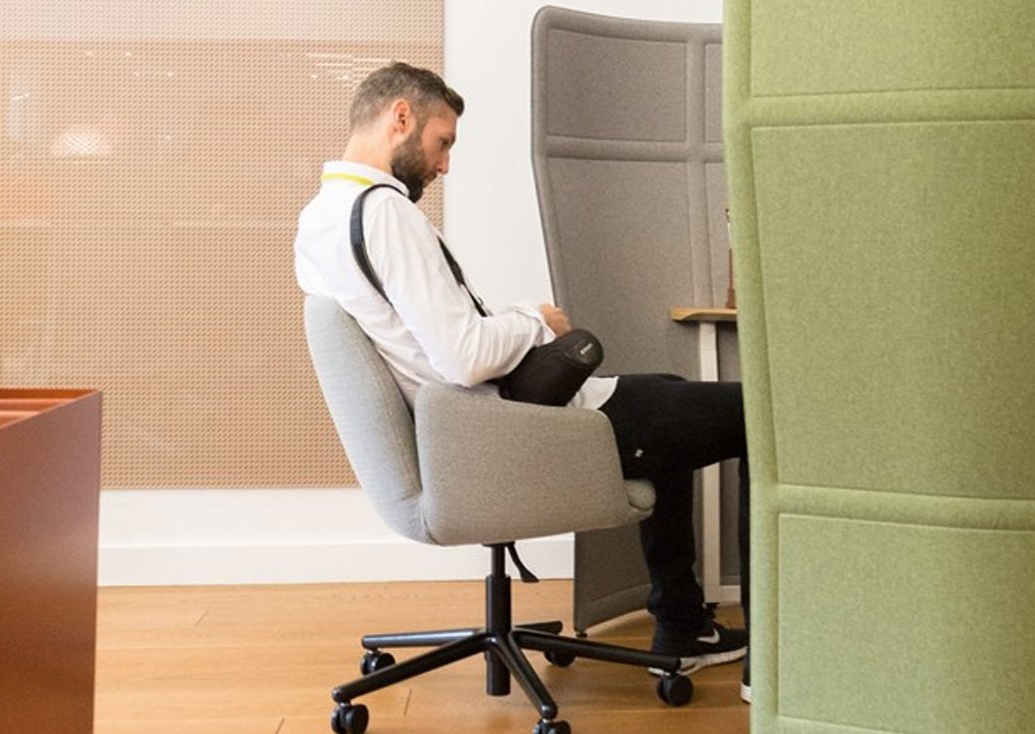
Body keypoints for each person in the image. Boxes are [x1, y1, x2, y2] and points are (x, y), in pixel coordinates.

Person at [295, 61, 749, 690]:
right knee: (758, 415)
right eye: (442, 142)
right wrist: (534, 320)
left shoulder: (318, 220)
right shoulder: (383, 213)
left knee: (668, 392)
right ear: (400, 117)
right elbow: (462, 356)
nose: (445, 164)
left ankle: (682, 620)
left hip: (474, 433)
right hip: (508, 430)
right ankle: (779, 648)